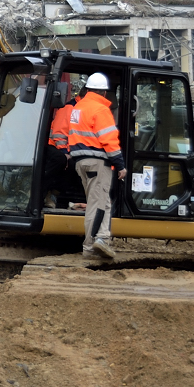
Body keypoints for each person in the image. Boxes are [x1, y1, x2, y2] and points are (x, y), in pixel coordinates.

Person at [66, 72, 126, 259]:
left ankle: (100, 239)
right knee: (98, 204)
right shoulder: (100, 110)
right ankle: (93, 244)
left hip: (81, 162)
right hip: (98, 162)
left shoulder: (78, 108)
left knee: (101, 202)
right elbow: (109, 140)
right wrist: (120, 165)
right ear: (105, 93)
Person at [43, 88, 76, 206]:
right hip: (54, 145)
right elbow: (59, 134)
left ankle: (54, 194)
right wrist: (65, 153)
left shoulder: (84, 108)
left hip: (70, 148)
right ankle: (44, 192)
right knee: (61, 160)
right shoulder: (69, 108)